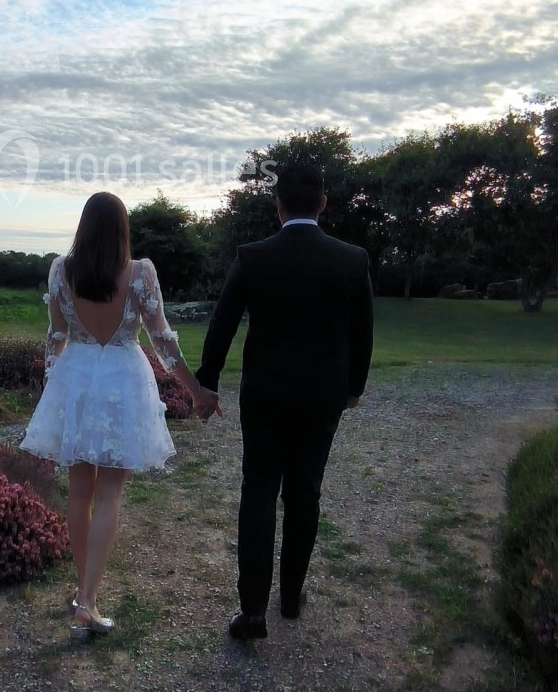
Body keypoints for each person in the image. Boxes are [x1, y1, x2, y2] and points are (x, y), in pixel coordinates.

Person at [21, 191, 221, 640]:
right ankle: (87, 602)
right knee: (108, 494)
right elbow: (162, 340)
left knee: (78, 493)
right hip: (121, 381)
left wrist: (56, 382)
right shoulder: (140, 273)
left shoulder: (60, 270)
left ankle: (83, 594)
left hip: (77, 377)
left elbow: (55, 336)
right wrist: (196, 390)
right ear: (122, 231)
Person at [195, 162, 373, 640]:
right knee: (305, 491)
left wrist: (207, 383)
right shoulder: (352, 259)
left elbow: (223, 324)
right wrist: (353, 388)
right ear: (322, 204)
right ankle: (291, 597)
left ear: (278, 207)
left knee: (258, 490)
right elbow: (362, 334)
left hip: (266, 395)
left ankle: (252, 610)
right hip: (322, 397)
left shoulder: (253, 257)